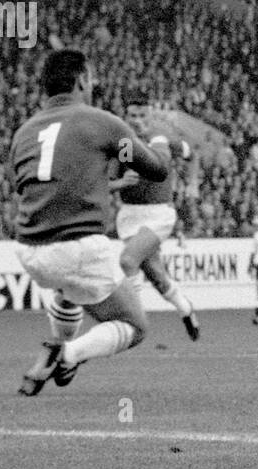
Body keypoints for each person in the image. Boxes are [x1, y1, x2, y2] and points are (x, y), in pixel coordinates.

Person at [9, 49, 170, 396]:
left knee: (70, 289)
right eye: (92, 78)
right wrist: (143, 145)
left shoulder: (24, 132)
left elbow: (35, 184)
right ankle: (65, 354)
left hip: (30, 250)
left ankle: (58, 342)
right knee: (134, 325)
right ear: (82, 79)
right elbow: (156, 170)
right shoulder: (100, 122)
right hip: (78, 245)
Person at [111, 96, 199, 340]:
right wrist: (120, 182)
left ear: (151, 117)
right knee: (156, 276)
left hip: (158, 213)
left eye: (142, 116)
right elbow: (107, 181)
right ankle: (186, 309)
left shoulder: (163, 140)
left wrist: (192, 183)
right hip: (130, 215)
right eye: (133, 116)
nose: (137, 121)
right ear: (125, 117)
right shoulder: (123, 145)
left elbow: (193, 155)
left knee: (128, 261)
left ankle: (133, 321)